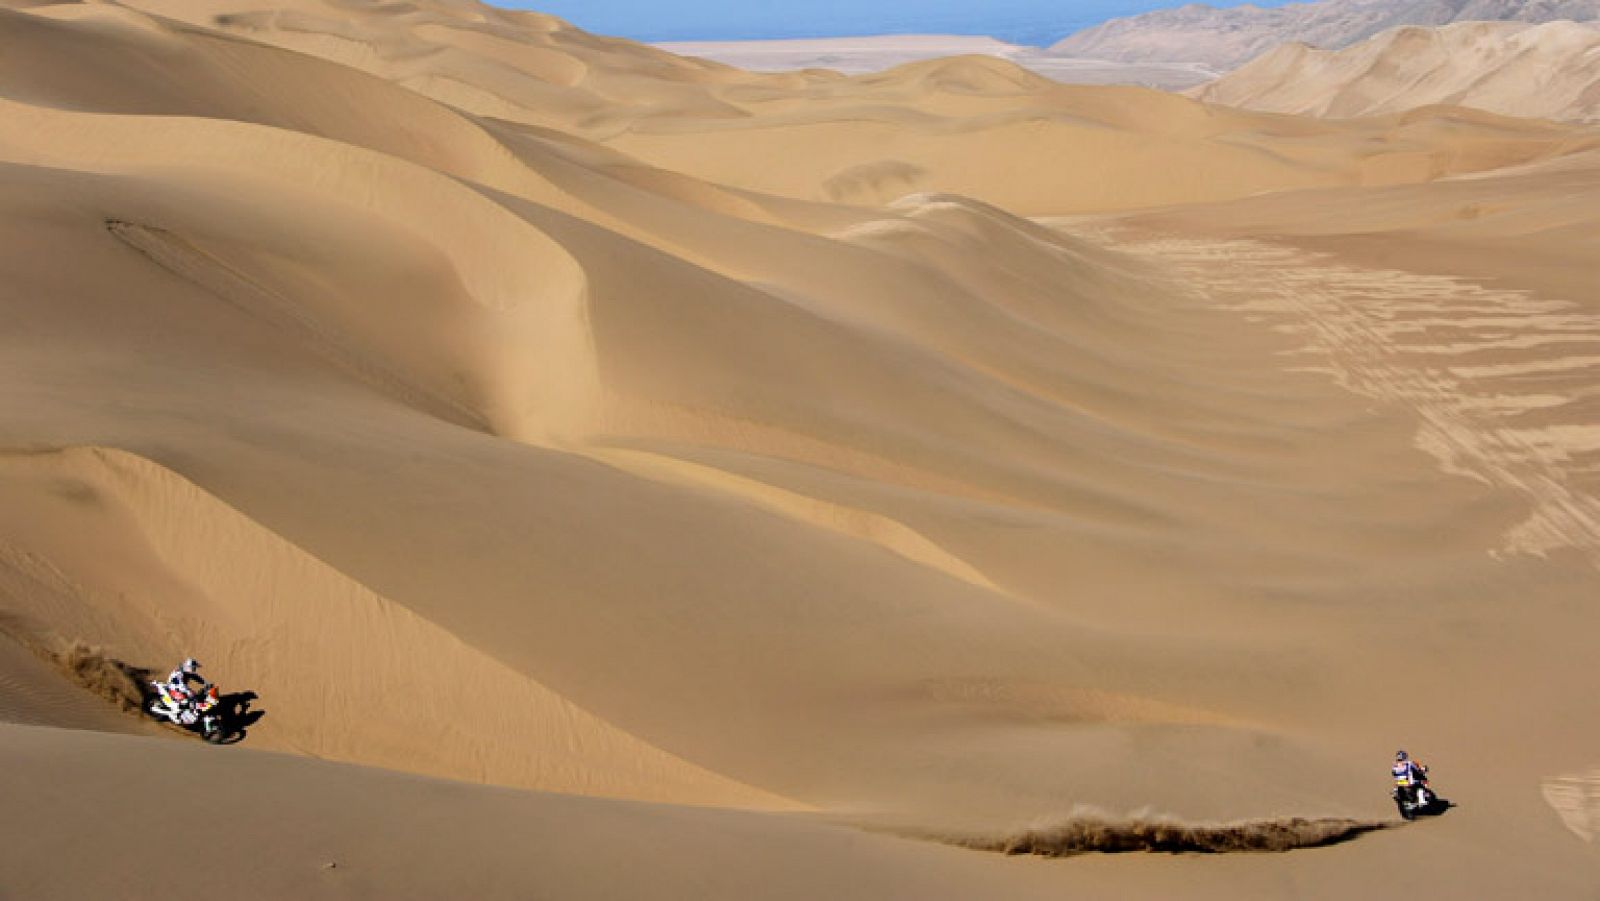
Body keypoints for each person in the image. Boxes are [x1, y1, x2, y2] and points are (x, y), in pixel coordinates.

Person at [157, 658, 205, 724]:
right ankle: (176, 715)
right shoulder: (179, 673)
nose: (194, 669)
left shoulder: (186, 672)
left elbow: (196, 677)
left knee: (193, 697)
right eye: (194, 668)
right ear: (189, 667)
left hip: (178, 689)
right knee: (186, 701)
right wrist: (188, 691)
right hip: (174, 689)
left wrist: (205, 683)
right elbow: (180, 684)